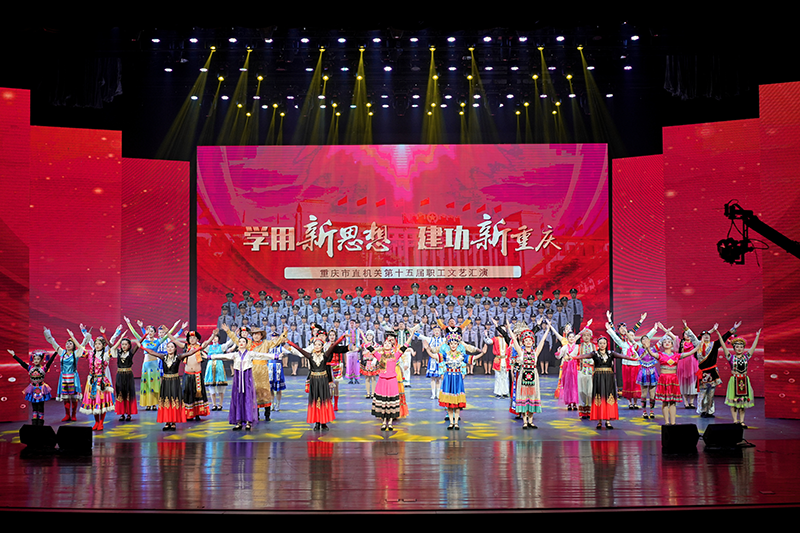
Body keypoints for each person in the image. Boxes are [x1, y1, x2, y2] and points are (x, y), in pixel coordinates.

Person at [134, 336, 210, 431]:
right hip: (166, 383)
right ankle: (167, 422)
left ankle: (173, 422)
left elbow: (191, 352)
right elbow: (152, 352)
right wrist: (141, 347)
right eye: (168, 347)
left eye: (172, 347)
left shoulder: (178, 357)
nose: (169, 348)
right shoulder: (163, 357)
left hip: (175, 382)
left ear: (175, 349)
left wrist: (201, 347)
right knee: (166, 401)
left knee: (174, 401)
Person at [286, 331, 347, 430]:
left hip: (323, 380)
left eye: (319, 345)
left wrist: (342, 337)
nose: (317, 346)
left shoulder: (325, 355)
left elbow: (333, 346)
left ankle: (323, 422)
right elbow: (299, 349)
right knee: (315, 401)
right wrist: (289, 342)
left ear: (322, 346)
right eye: (315, 344)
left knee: (323, 400)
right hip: (314, 381)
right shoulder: (310, 356)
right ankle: (317, 422)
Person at [574, 336, 637, 429]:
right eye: (600, 343)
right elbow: (583, 356)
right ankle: (599, 421)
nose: (602, 345)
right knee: (599, 396)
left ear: (606, 344)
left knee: (608, 396)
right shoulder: (594, 353)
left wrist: (633, 359)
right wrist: (572, 357)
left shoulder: (611, 353)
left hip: (609, 378)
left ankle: (608, 421)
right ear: (598, 344)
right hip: (598, 378)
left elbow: (623, 356)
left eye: (604, 343)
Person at [653, 323, 702, 425]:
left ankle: (674, 421)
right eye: (665, 342)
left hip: (682, 371)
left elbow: (691, 351)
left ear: (672, 345)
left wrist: (698, 347)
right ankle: (667, 421)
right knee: (665, 401)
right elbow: (652, 351)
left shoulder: (677, 355)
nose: (667, 343)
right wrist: (664, 330)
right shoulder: (662, 354)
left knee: (674, 401)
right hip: (667, 376)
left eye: (669, 342)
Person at [206, 332, 257, 430]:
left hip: (247, 379)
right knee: (237, 399)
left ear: (246, 344)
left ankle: (248, 421)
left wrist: (275, 356)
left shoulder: (250, 354)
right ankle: (238, 421)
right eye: (240, 341)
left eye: (243, 341)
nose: (241, 343)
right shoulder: (235, 355)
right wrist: (210, 357)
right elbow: (222, 356)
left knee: (247, 399)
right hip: (237, 380)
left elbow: (262, 355)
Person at [80, 326, 124, 431]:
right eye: (96, 344)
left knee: (102, 400)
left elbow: (112, 342)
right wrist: (84, 332)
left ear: (103, 345)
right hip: (93, 380)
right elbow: (87, 342)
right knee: (94, 401)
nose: (97, 345)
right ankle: (96, 422)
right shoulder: (91, 354)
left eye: (99, 343)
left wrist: (118, 333)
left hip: (103, 376)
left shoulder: (106, 352)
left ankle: (101, 422)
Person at [436, 330, 482, 430]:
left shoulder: (461, 353)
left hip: (457, 377)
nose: (453, 345)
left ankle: (456, 422)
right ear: (449, 344)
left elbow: (469, 359)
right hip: (448, 377)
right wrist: (441, 372)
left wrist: (464, 371)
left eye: (455, 343)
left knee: (457, 401)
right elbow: (439, 359)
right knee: (448, 400)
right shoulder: (445, 352)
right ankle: (451, 422)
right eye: (451, 343)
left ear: (458, 344)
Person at [719, 328, 761, 428]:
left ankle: (742, 421)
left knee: (742, 403)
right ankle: (735, 421)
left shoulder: (746, 356)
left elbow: (753, 347)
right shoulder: (731, 357)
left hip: (744, 380)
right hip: (734, 380)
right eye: (737, 347)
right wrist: (719, 336)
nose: (739, 349)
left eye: (741, 347)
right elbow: (723, 346)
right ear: (734, 348)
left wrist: (757, 336)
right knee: (734, 402)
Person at [44, 326, 87, 422]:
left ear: (74, 346)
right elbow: (53, 343)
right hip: (64, 378)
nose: (68, 345)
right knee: (66, 398)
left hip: (73, 377)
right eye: (67, 343)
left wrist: (78, 334)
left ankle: (74, 414)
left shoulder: (76, 353)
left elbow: (83, 344)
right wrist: (47, 333)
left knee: (74, 397)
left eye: (70, 343)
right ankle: (67, 415)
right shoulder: (62, 352)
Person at [8, 348, 57, 426]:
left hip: (41, 389)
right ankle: (34, 423)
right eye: (35, 359)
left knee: (40, 406)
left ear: (41, 360)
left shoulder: (43, 368)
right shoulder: (30, 368)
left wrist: (55, 353)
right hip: (32, 389)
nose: (36, 360)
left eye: (38, 359)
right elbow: (22, 363)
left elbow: (50, 362)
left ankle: (40, 423)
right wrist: (14, 355)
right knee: (34, 407)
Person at [110, 336, 138, 421]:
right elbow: (110, 345)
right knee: (120, 393)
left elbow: (138, 344)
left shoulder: (131, 352)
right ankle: (122, 413)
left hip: (128, 375)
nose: (124, 346)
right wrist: (104, 334)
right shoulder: (118, 352)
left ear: (129, 345)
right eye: (122, 344)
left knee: (129, 393)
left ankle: (129, 413)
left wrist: (145, 335)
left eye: (126, 344)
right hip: (120, 375)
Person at [205, 331, 234, 411]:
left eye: (216, 337)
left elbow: (230, 343)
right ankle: (214, 404)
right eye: (213, 337)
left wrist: (234, 334)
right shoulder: (208, 347)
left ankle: (220, 404)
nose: (214, 338)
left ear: (218, 338)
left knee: (221, 387)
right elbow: (200, 346)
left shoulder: (221, 347)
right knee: (211, 388)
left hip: (219, 367)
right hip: (210, 367)